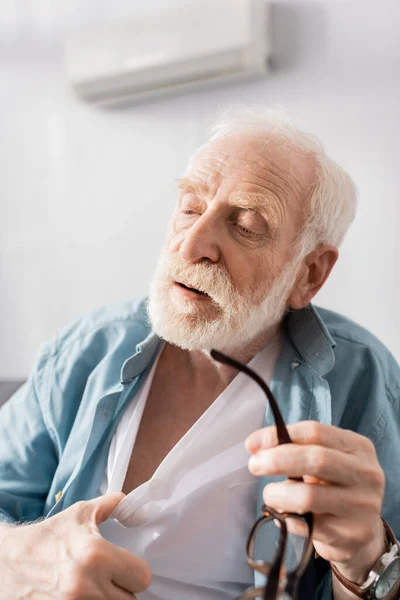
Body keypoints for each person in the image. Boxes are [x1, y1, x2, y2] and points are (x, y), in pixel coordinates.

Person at [0, 107, 399, 600]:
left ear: (309, 273)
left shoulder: (363, 378)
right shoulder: (85, 349)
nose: (193, 245)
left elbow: (380, 578)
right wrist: (19, 557)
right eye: (190, 206)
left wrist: (362, 563)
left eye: (247, 224)